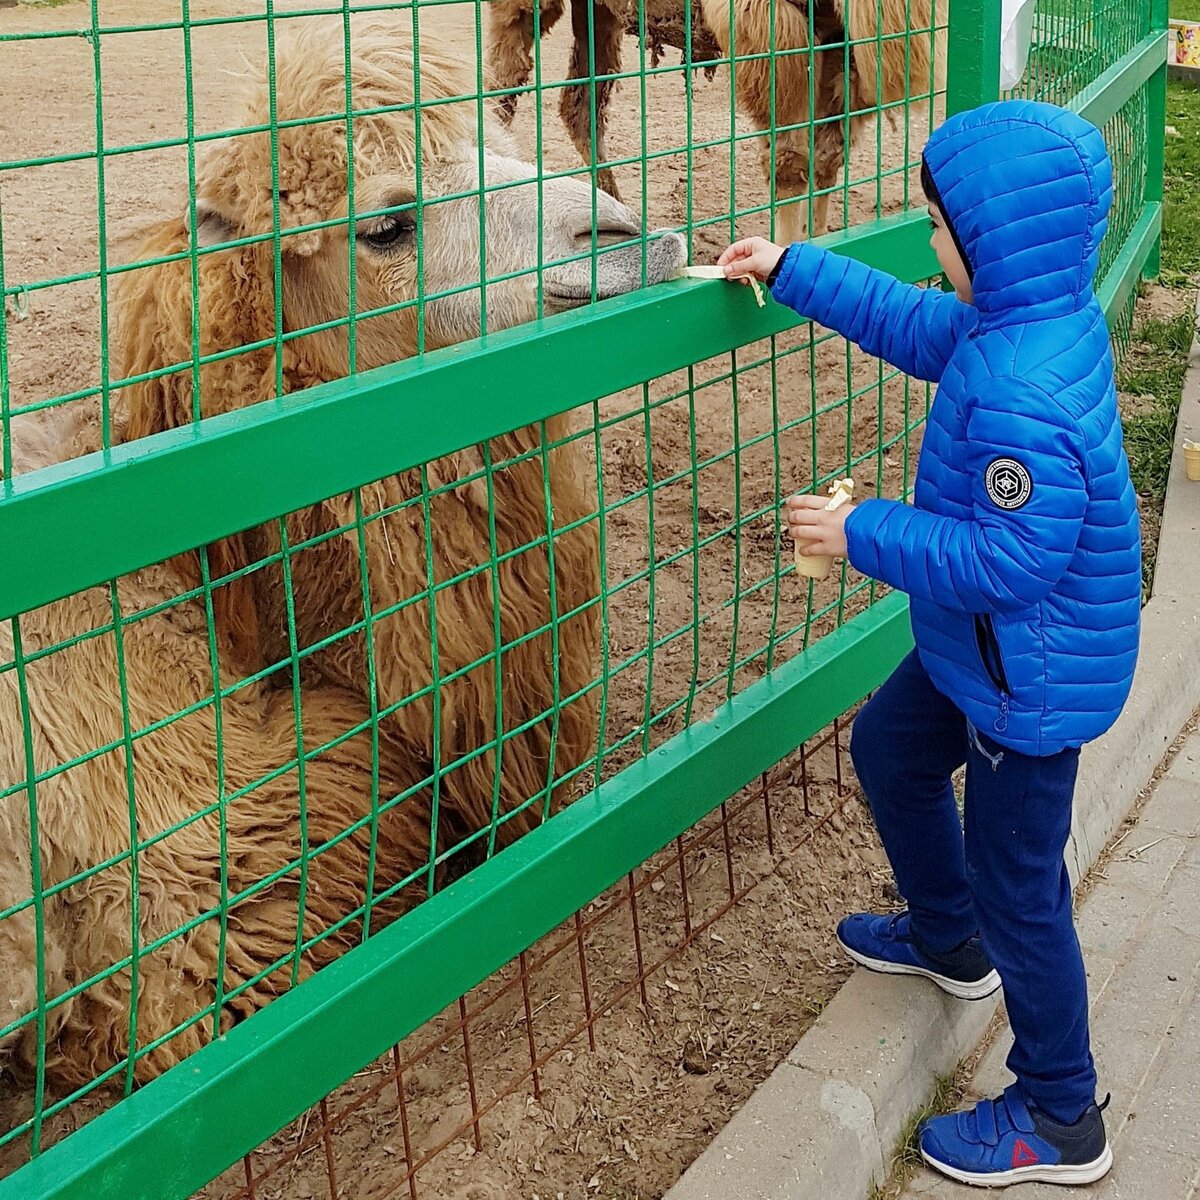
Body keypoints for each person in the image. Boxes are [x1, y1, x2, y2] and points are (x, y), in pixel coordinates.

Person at [719, 99, 1141, 1188]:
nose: (930, 242)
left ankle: (1060, 1115)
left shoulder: (1020, 396)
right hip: (985, 651)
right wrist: (792, 266)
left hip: (1025, 683)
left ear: (996, 242)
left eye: (942, 226)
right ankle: (950, 939)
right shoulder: (1020, 317)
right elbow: (912, 324)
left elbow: (1013, 563)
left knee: (1025, 891)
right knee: (892, 753)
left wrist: (860, 531)